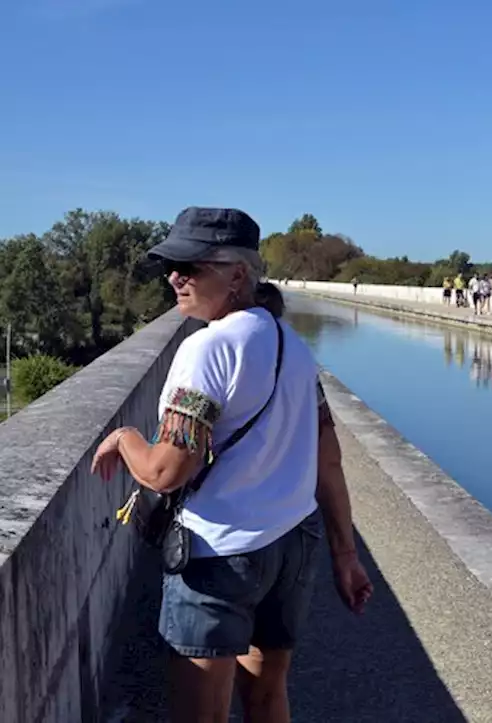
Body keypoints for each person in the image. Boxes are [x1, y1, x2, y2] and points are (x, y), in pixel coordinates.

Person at [90, 207, 372, 723]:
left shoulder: (208, 348)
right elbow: (327, 459)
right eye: (171, 266)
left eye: (192, 266)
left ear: (237, 275)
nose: (175, 277)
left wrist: (126, 439)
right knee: (267, 698)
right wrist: (345, 555)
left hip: (219, 556)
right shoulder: (294, 346)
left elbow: (165, 471)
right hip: (291, 545)